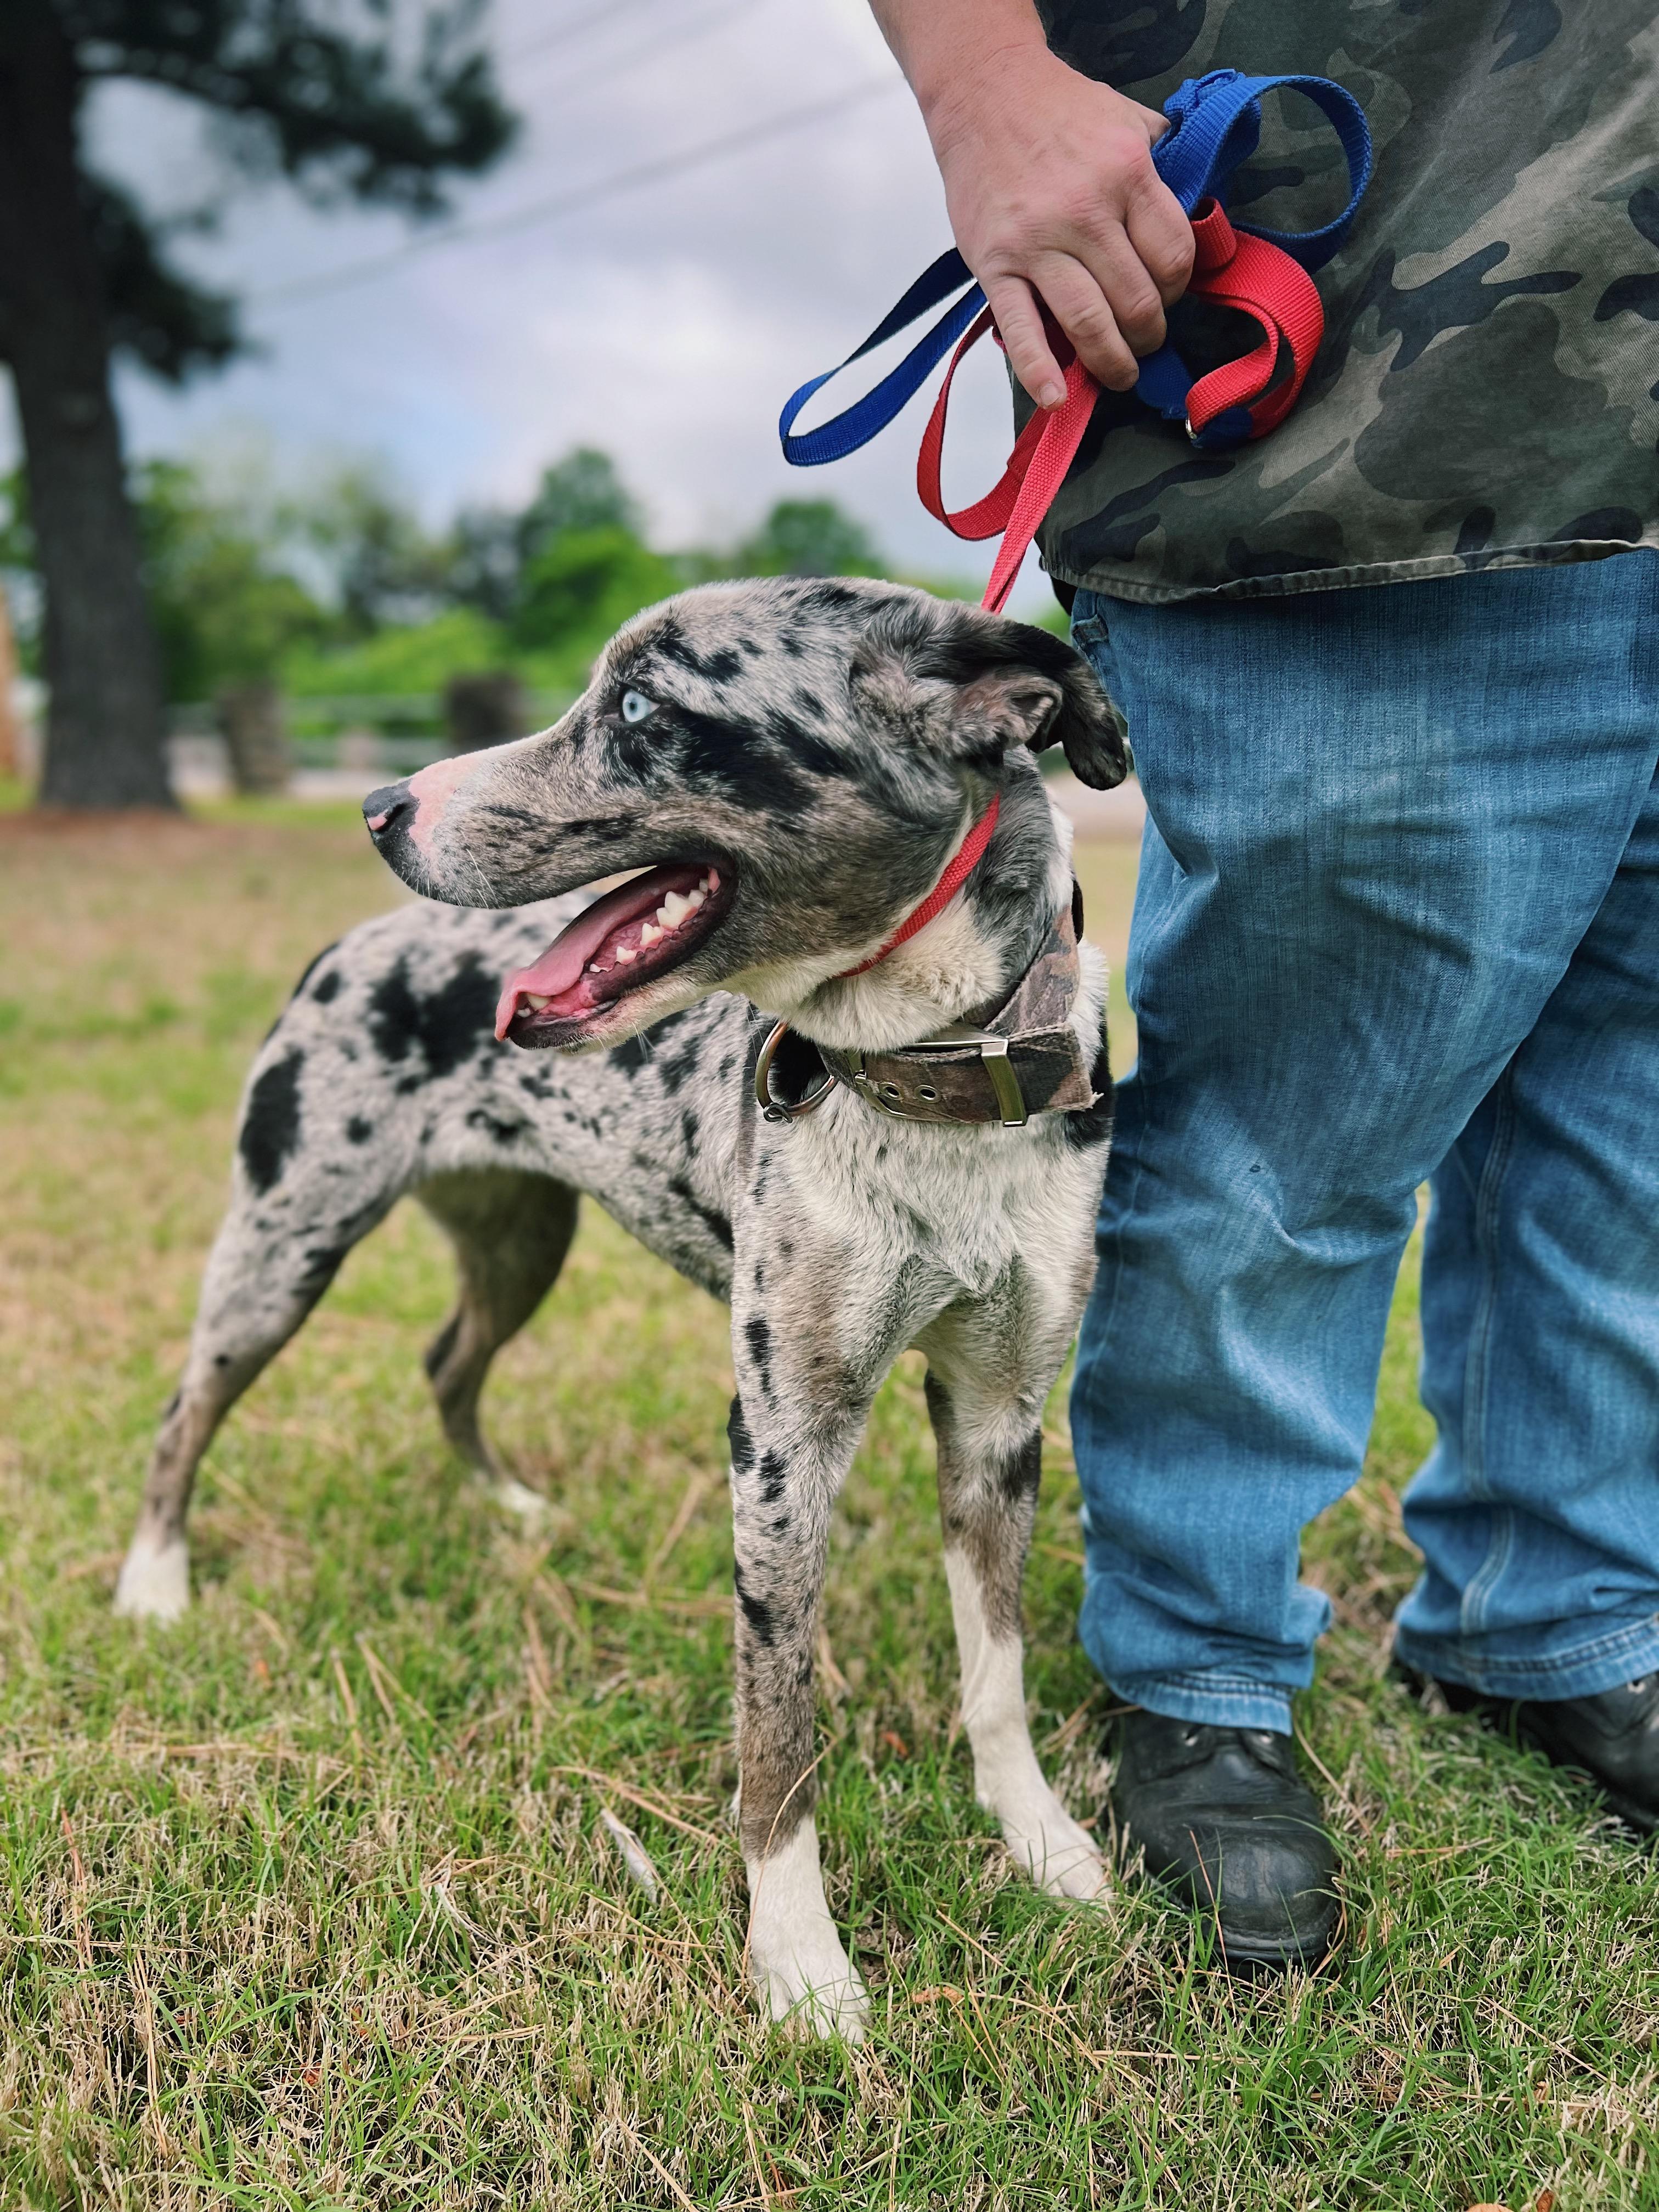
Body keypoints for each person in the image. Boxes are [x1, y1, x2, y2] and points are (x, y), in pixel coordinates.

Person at [870, 0, 1659, 1967]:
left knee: (1630, 1105)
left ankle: (1561, 1614)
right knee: (1295, 1125)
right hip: (1375, 377)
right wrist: (985, 86)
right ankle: (1204, 1667)